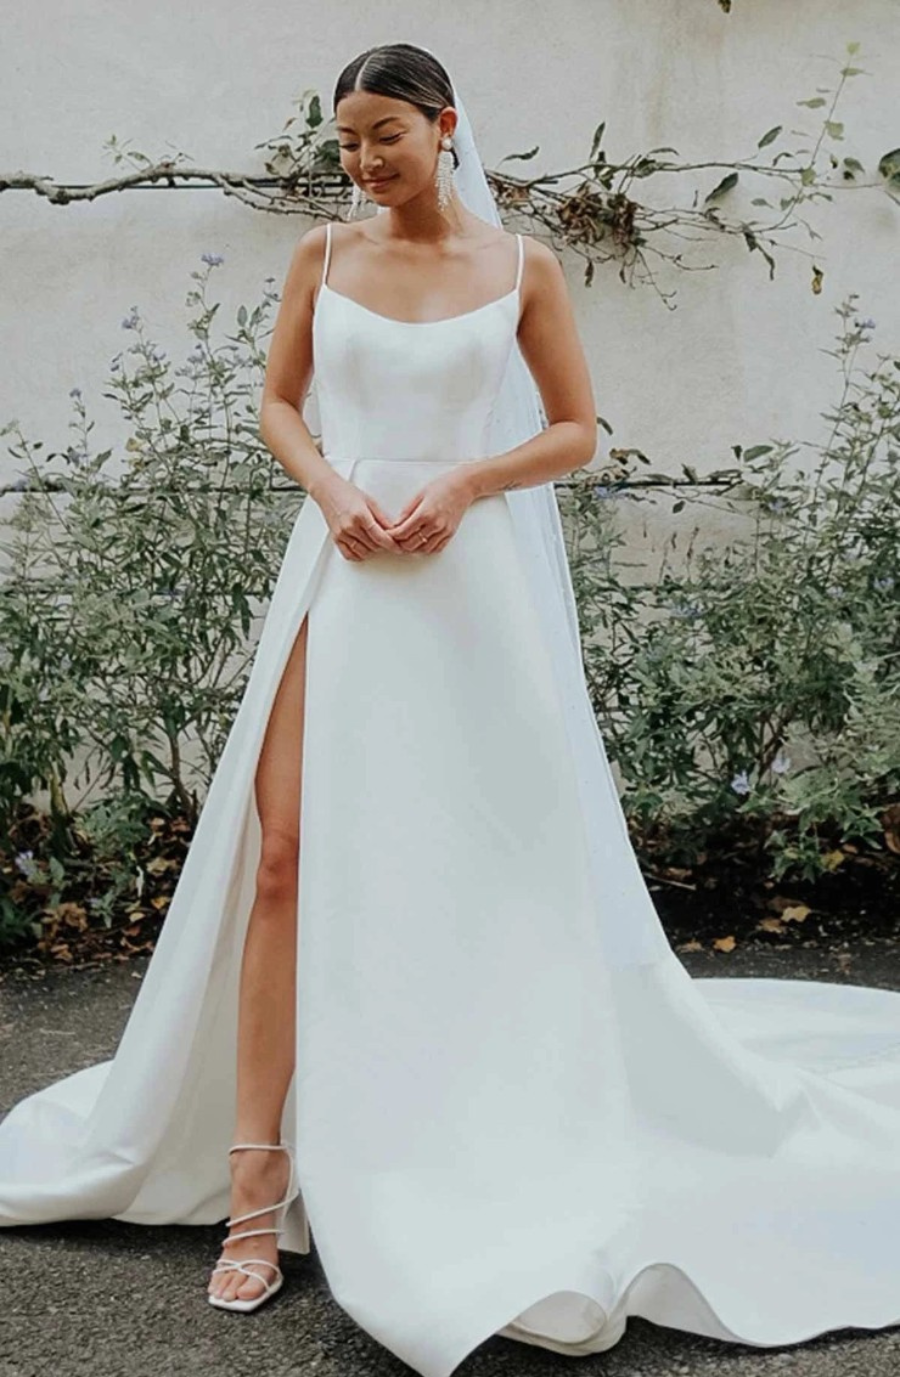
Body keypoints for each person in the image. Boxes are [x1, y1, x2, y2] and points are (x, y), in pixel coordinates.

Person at [3, 40, 900, 1377]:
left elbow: (577, 430)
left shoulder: (522, 267)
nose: (364, 160)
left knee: (484, 872)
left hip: (469, 595)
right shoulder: (320, 256)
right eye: (346, 140)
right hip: (343, 574)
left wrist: (467, 483)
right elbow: (280, 404)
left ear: (444, 127)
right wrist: (332, 488)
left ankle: (456, 1138)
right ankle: (255, 1184)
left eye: (386, 134)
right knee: (284, 856)